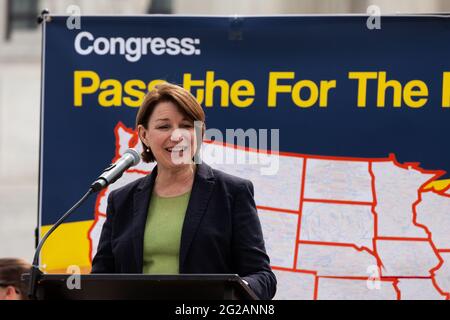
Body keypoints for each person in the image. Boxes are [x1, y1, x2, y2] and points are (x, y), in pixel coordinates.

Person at [91, 83, 277, 300]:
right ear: (144, 135)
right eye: (163, 127)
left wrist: (233, 291)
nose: (177, 136)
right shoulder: (121, 200)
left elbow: (263, 277)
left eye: (187, 126)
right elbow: (100, 280)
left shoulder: (233, 193)